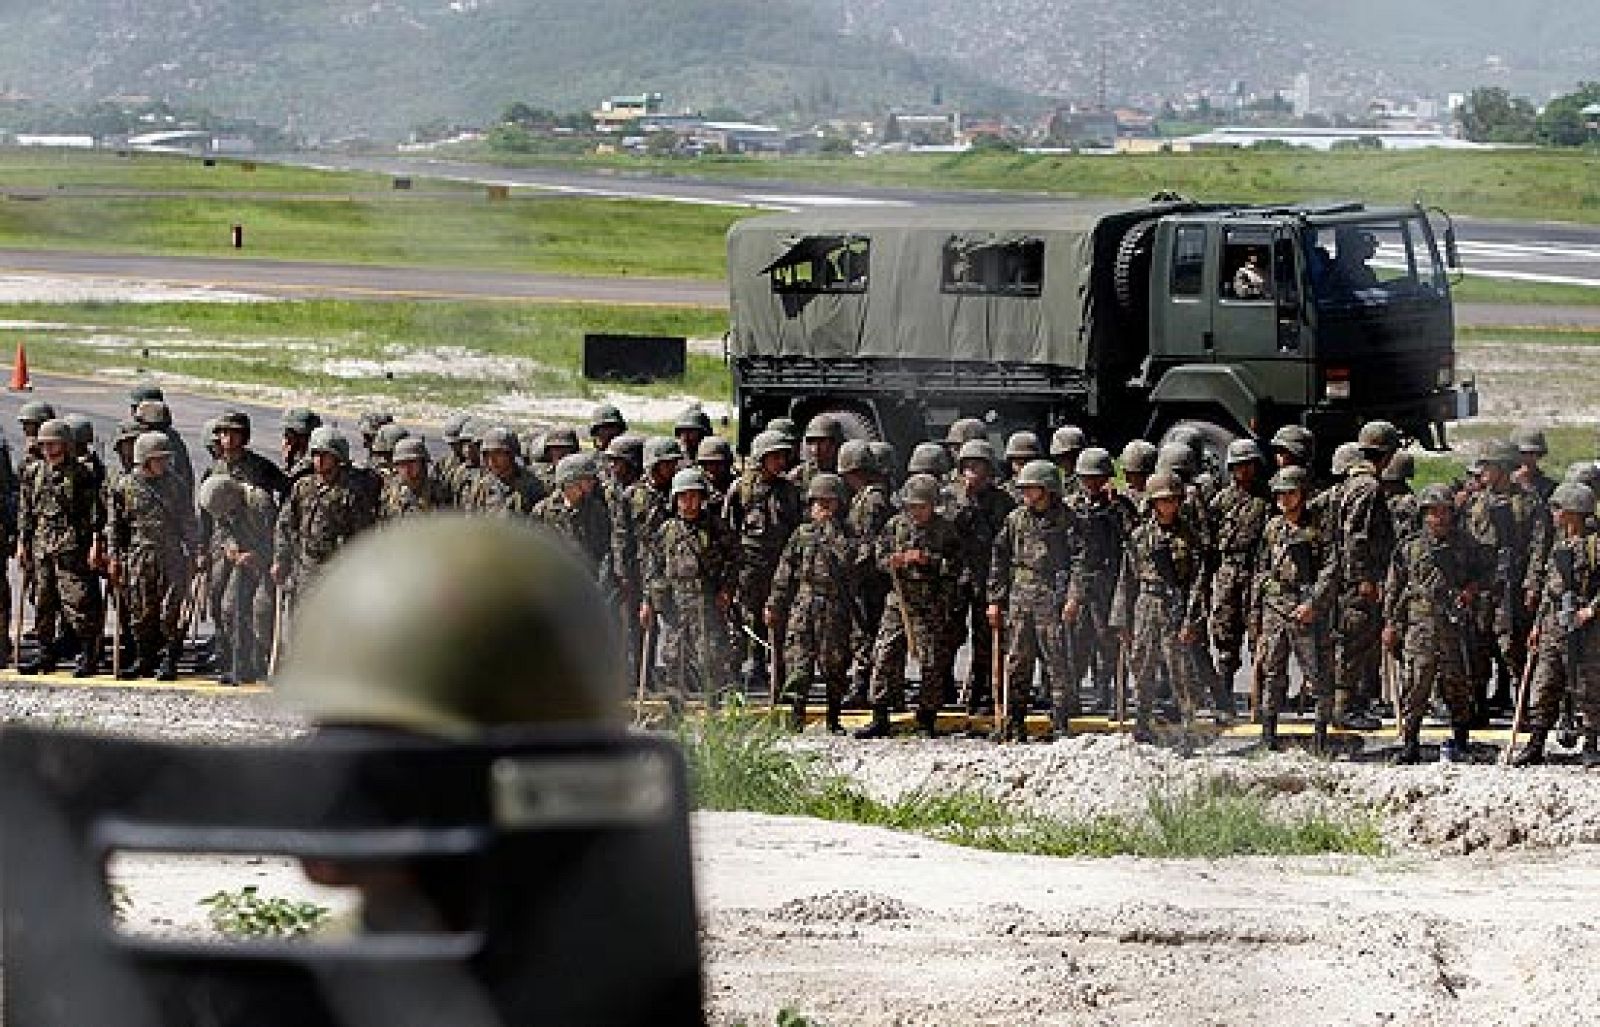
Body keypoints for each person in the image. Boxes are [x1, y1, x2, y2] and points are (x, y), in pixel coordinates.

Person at [1383, 484, 1492, 764]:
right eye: (1433, 512)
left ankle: (1461, 740)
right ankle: (1410, 743)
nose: (1439, 518)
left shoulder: (1466, 545)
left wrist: (1472, 589)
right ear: (1424, 515)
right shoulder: (1410, 548)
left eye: (1444, 512)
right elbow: (1395, 588)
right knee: (1416, 685)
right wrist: (1390, 624)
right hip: (1420, 626)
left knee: (1458, 685)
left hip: (1455, 626)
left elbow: (1488, 574)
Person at [857, 473, 963, 740]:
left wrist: (929, 560)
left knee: (930, 662)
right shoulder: (895, 526)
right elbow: (878, 556)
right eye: (912, 506)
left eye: (922, 506)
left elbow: (957, 567)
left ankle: (926, 718)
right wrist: (890, 562)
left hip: (930, 604)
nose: (916, 512)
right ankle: (880, 714)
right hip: (899, 601)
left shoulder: (945, 530)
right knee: (884, 655)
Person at [1111, 471, 1210, 745]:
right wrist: (1122, 620)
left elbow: (1198, 582)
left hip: (1175, 607)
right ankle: (1142, 724)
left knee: (1181, 670)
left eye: (1172, 500)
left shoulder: (1190, 537)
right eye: (1161, 500)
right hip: (1145, 605)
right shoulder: (1140, 536)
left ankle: (1189, 728)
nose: (1167, 505)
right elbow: (1126, 579)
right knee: (1142, 667)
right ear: (1153, 503)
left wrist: (1193, 620)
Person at [987, 460, 1080, 741]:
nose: (1026, 492)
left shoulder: (1067, 519)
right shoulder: (1016, 519)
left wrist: (1074, 597)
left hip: (1052, 594)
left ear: (1047, 489)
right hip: (1020, 596)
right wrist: (995, 599)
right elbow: (999, 558)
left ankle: (1060, 723)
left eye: (1032, 487)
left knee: (1056, 662)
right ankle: (1014, 722)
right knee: (1017, 661)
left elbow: (1080, 561)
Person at [765, 473, 861, 734]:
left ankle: (833, 717)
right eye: (818, 503)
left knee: (834, 664)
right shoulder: (802, 534)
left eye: (828, 503)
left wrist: (830, 531)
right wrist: (774, 603)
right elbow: (785, 569)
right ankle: (796, 715)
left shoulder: (848, 534)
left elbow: (852, 562)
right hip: (804, 603)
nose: (823, 508)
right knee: (798, 660)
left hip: (833, 606)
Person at [1249, 466, 1336, 751]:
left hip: (1308, 609)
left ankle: (1321, 734)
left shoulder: (1319, 529)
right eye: (1280, 494)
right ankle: (1268, 732)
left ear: (1302, 494)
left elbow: (1331, 569)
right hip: (1276, 609)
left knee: (1318, 674)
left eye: (1290, 493)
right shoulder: (1272, 528)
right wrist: (1258, 611)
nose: (1284, 500)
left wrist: (1313, 603)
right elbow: (1261, 570)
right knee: (1273, 671)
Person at [1516, 483, 1600, 767]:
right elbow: (1549, 591)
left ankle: (1590, 742)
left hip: (1586, 628)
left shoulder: (1594, 546)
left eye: (1558, 508)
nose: (1554, 514)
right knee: (1544, 683)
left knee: (1588, 686)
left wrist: (1591, 610)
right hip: (1553, 623)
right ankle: (1536, 742)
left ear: (1573, 512)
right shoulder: (1559, 545)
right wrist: (1538, 625)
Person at [16, 418, 106, 676]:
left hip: (72, 548)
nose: (48, 449)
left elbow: (94, 514)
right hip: (42, 546)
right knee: (44, 602)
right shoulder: (34, 472)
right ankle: (45, 654)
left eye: (54, 444)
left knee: (78, 603)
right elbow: (27, 510)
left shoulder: (82, 474)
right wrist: (23, 542)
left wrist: (96, 544)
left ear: (66, 445)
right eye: (45, 444)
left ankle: (89, 654)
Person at [107, 432, 199, 681]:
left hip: (171, 558)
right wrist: (114, 557)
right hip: (138, 557)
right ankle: (144, 659)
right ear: (144, 460)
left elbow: (188, 522)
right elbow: (115, 526)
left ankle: (169, 660)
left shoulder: (176, 485)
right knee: (140, 613)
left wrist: (195, 552)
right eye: (159, 459)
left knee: (171, 613)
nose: (165, 464)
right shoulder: (124, 486)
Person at [644, 468, 738, 707]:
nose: (690, 503)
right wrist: (649, 601)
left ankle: (713, 707)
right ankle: (675, 710)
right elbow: (653, 566)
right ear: (676, 500)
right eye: (684, 497)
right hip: (675, 602)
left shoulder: (716, 528)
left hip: (706, 601)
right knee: (674, 657)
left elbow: (735, 559)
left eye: (695, 496)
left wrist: (726, 589)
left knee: (711, 656)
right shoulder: (667, 531)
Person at [722, 430, 802, 694]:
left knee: (777, 618)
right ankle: (739, 672)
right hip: (749, 565)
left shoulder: (789, 491)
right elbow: (728, 529)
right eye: (775, 457)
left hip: (779, 565)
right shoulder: (741, 489)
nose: (780, 462)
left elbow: (796, 527)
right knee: (745, 618)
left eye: (783, 456)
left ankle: (776, 672)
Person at [272, 426, 379, 609]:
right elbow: (286, 524)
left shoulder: (351, 493)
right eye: (316, 454)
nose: (319, 460)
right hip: (304, 568)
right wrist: (280, 559)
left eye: (325, 455)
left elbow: (362, 537)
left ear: (337, 458)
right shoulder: (303, 487)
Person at [1209, 439, 1273, 719]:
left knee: (1258, 638)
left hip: (1257, 573)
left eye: (1248, 465)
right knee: (1225, 636)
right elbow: (1209, 538)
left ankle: (1259, 704)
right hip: (1227, 572)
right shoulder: (1221, 501)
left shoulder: (1267, 499)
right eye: (1238, 466)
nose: (1243, 471)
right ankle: (1224, 703)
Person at [951, 438, 1016, 713]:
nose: (971, 474)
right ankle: (946, 691)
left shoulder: (1002, 502)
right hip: (957, 577)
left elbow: (1004, 544)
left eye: (976, 467)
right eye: (966, 468)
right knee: (950, 635)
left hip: (987, 577)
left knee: (986, 640)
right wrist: (965, 501)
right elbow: (948, 530)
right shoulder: (952, 497)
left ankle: (986, 695)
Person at [198, 474, 278, 685]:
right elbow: (224, 531)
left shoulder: (259, 502)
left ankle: (266, 660)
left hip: (267, 565)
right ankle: (241, 664)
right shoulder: (222, 505)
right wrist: (231, 548)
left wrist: (259, 556)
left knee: (263, 610)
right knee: (229, 607)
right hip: (243, 563)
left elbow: (277, 536)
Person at [465, 427, 545, 515]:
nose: (492, 461)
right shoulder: (482, 486)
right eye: (487, 455)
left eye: (498, 453)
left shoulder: (533, 488)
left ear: (511, 455)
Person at [380, 437, 453, 519]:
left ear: (422, 464)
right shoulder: (390, 493)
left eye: (412, 462)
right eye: (402, 464)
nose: (407, 469)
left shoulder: (439, 491)